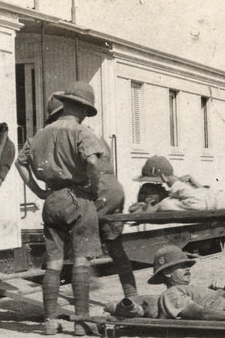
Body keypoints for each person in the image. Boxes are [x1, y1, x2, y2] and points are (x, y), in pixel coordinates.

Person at [19, 95, 139, 300]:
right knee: (113, 245)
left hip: (94, 189)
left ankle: (83, 285)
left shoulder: (55, 134)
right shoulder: (87, 134)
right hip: (111, 188)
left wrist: (43, 190)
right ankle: (131, 295)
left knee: (76, 242)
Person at [15, 81, 106, 336]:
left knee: (53, 263)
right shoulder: (82, 133)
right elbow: (92, 163)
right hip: (79, 198)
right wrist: (92, 187)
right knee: (80, 261)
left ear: (64, 103)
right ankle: (80, 322)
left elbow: (20, 162)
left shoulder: (40, 134)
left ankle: (50, 322)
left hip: (52, 200)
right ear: (85, 110)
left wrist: (37, 191)